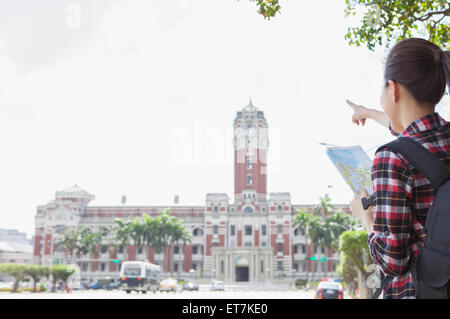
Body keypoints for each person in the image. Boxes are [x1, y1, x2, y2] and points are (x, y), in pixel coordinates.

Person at [347, 37, 450, 299]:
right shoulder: (441, 139)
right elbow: (411, 132)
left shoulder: (391, 159)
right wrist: (367, 112)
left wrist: (365, 219)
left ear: (392, 90)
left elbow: (393, 261)